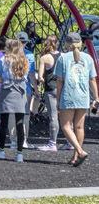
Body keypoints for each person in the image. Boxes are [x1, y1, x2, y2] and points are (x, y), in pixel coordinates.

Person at [54, 32, 99, 167]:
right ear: (80, 43)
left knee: (66, 126)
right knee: (79, 127)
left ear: (67, 44)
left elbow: (60, 81)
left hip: (68, 95)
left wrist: (57, 99)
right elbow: (92, 79)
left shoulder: (63, 58)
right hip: (83, 96)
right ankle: (75, 157)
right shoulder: (88, 58)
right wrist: (96, 97)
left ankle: (79, 151)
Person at [0, 39, 29, 163]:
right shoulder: (24, 60)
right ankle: (19, 153)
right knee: (20, 124)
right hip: (20, 93)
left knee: (4, 122)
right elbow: (26, 77)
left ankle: (1, 150)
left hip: (7, 92)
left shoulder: (3, 60)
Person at [37, 35, 61, 152]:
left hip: (51, 89)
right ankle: (70, 142)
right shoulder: (63, 56)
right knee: (66, 116)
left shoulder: (45, 58)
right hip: (62, 88)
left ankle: (52, 143)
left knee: (53, 116)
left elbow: (40, 76)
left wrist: (41, 80)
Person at [16, 31, 38, 149]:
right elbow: (31, 75)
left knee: (13, 114)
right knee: (25, 114)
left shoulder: (9, 55)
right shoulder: (29, 55)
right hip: (26, 88)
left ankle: (15, 139)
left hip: (12, 88)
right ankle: (24, 139)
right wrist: (36, 89)